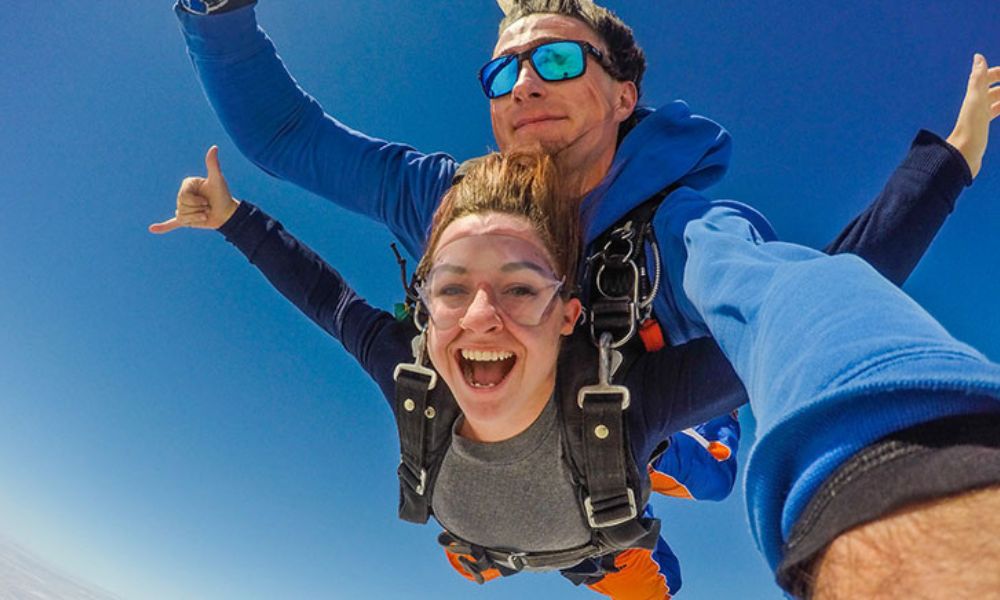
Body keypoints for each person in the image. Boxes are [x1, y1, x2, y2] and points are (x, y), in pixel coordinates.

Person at [171, 0, 1000, 596]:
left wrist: (902, 464)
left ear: (623, 96)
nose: (525, 82)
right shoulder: (447, 203)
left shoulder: (681, 229)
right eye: (506, 68)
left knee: (696, 472)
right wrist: (217, 12)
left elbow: (791, 291)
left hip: (649, 403)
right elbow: (286, 140)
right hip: (527, 440)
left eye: (560, 60)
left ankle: (663, 470)